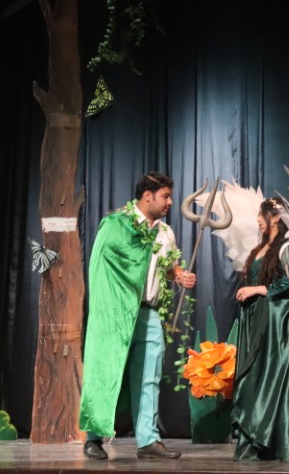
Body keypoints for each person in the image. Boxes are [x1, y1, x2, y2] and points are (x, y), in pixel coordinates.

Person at [79, 171, 196, 460]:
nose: (170, 202)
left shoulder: (165, 233)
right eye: (165, 196)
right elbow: (100, 265)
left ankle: (148, 440)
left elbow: (169, 266)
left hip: (149, 314)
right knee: (107, 370)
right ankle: (93, 438)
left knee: (149, 378)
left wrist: (179, 275)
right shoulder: (117, 225)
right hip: (116, 315)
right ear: (147, 196)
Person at [232, 197, 289, 462]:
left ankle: (280, 441)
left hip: (278, 326)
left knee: (275, 379)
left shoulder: (286, 248)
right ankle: (258, 441)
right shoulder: (261, 249)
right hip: (259, 322)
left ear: (275, 217)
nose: (258, 220)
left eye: (261, 214)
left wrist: (257, 289)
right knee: (257, 378)